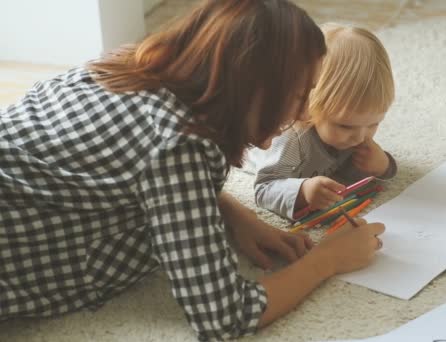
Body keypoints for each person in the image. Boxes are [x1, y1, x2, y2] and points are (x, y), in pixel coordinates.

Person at [0, 1, 385, 341]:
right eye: (300, 96)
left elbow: (132, 169)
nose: (303, 114)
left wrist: (232, 212)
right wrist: (328, 259)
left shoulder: (127, 63)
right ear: (254, 90)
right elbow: (224, 315)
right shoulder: (178, 147)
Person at [248, 23, 397, 219]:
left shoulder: (352, 131)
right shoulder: (290, 139)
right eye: (345, 126)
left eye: (373, 124)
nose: (361, 136)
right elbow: (264, 188)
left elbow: (358, 168)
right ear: (308, 105)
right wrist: (303, 191)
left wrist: (382, 165)